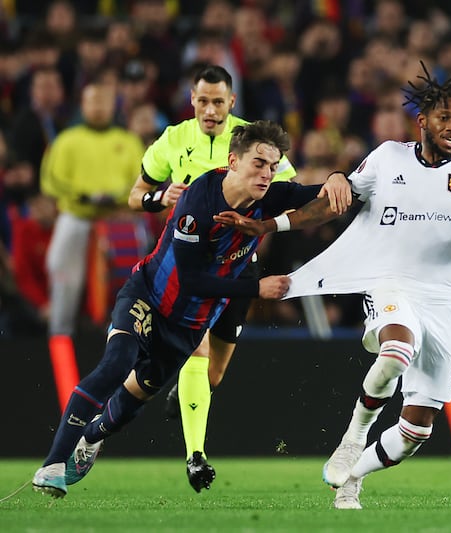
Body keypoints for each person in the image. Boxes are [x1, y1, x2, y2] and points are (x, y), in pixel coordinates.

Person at [214, 64, 451, 509]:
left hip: (443, 301)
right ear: (422, 121)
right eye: (444, 118)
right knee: (396, 350)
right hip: (390, 285)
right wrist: (265, 226)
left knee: (416, 432)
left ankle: (353, 474)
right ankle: (353, 435)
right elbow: (328, 207)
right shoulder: (387, 158)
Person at [32, 120, 352, 499]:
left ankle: (92, 436)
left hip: (188, 326)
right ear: (233, 161)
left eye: (273, 164)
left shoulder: (269, 196)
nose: (266, 173)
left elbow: (309, 193)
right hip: (148, 298)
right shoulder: (199, 202)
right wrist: (256, 287)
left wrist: (336, 177)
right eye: (258, 163)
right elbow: (191, 280)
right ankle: (52, 464)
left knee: (133, 400)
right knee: (116, 364)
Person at [127, 65, 297, 492]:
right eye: (202, 101)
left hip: (239, 264)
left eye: (218, 101)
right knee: (196, 353)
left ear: (231, 102)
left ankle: (185, 397)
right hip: (189, 266)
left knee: (214, 376)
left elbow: (284, 192)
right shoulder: (173, 139)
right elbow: (135, 195)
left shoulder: (252, 140)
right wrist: (157, 197)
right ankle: (195, 456)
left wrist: (260, 233)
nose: (209, 109)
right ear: (192, 99)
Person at [40, 80, 145, 410]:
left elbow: (142, 179)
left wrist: (117, 200)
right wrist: (82, 196)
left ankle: (129, 344)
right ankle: (58, 338)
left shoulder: (126, 141)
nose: (98, 106)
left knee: (136, 279)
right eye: (92, 100)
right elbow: (51, 181)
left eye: (104, 100)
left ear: (113, 103)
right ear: (82, 104)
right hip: (77, 216)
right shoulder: (68, 140)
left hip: (119, 219)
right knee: (61, 271)